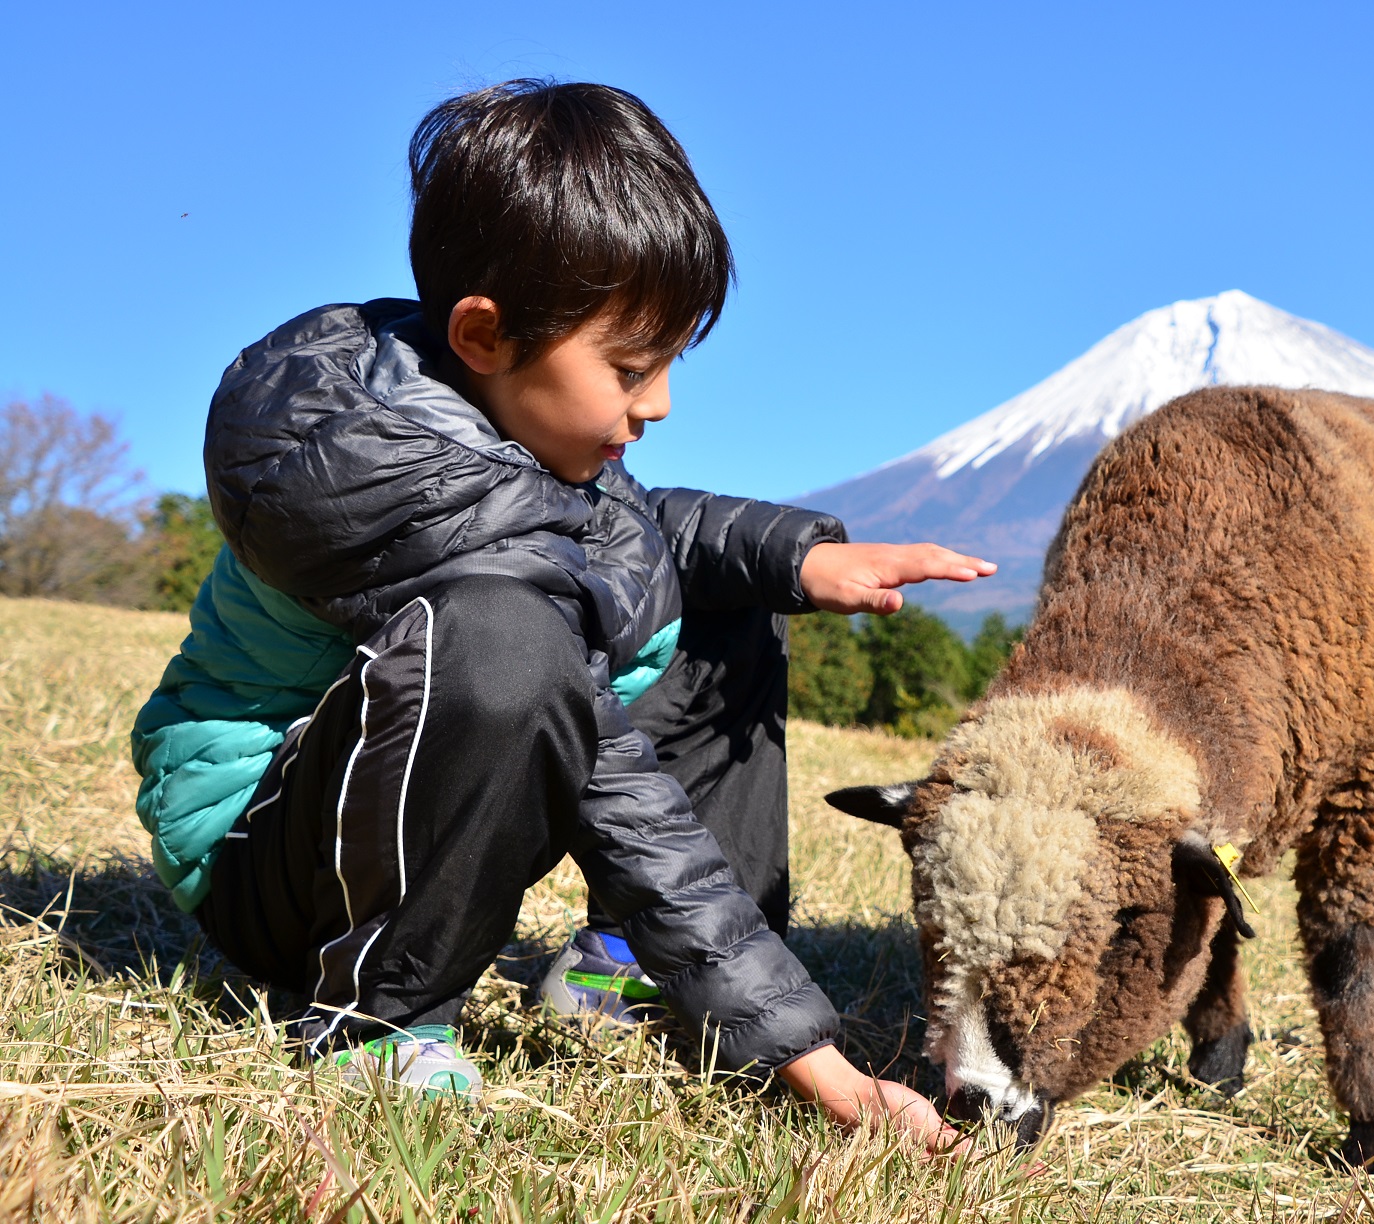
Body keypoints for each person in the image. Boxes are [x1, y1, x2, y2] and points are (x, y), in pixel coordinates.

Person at [130, 78, 993, 1151]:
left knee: (709, 599)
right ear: (485, 336)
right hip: (273, 853)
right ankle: (378, 1016)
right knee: (508, 643)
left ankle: (621, 965)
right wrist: (818, 1064)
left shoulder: (485, 416)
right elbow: (609, 771)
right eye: (631, 366)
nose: (660, 401)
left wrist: (799, 554)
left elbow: (631, 536)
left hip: (397, 796)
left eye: (671, 360)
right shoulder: (375, 477)